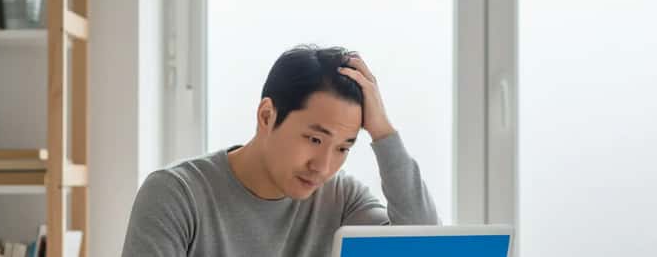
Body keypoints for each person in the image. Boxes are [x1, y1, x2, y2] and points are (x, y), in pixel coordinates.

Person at [122, 45, 439, 256]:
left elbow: (424, 246)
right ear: (266, 116)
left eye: (343, 147)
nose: (324, 166)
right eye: (314, 139)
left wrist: (383, 132)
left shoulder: (340, 199)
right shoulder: (177, 194)